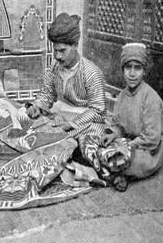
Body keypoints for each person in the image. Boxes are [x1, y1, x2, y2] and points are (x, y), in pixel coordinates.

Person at [26, 12, 106, 151]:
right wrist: (37, 106)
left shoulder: (91, 72)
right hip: (60, 117)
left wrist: (71, 124)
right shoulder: (55, 67)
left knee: (85, 141)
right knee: (28, 125)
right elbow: (47, 93)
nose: (57, 56)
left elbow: (97, 110)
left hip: (85, 122)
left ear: (75, 45)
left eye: (62, 50)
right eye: (55, 50)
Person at [100, 42, 163, 191]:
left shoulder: (151, 98)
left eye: (138, 68)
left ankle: (114, 174)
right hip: (129, 143)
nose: (132, 73)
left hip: (147, 150)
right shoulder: (122, 95)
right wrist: (113, 135)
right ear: (123, 70)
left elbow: (152, 138)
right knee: (99, 145)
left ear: (144, 71)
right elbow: (119, 125)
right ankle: (116, 173)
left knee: (129, 161)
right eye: (128, 67)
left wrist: (129, 145)